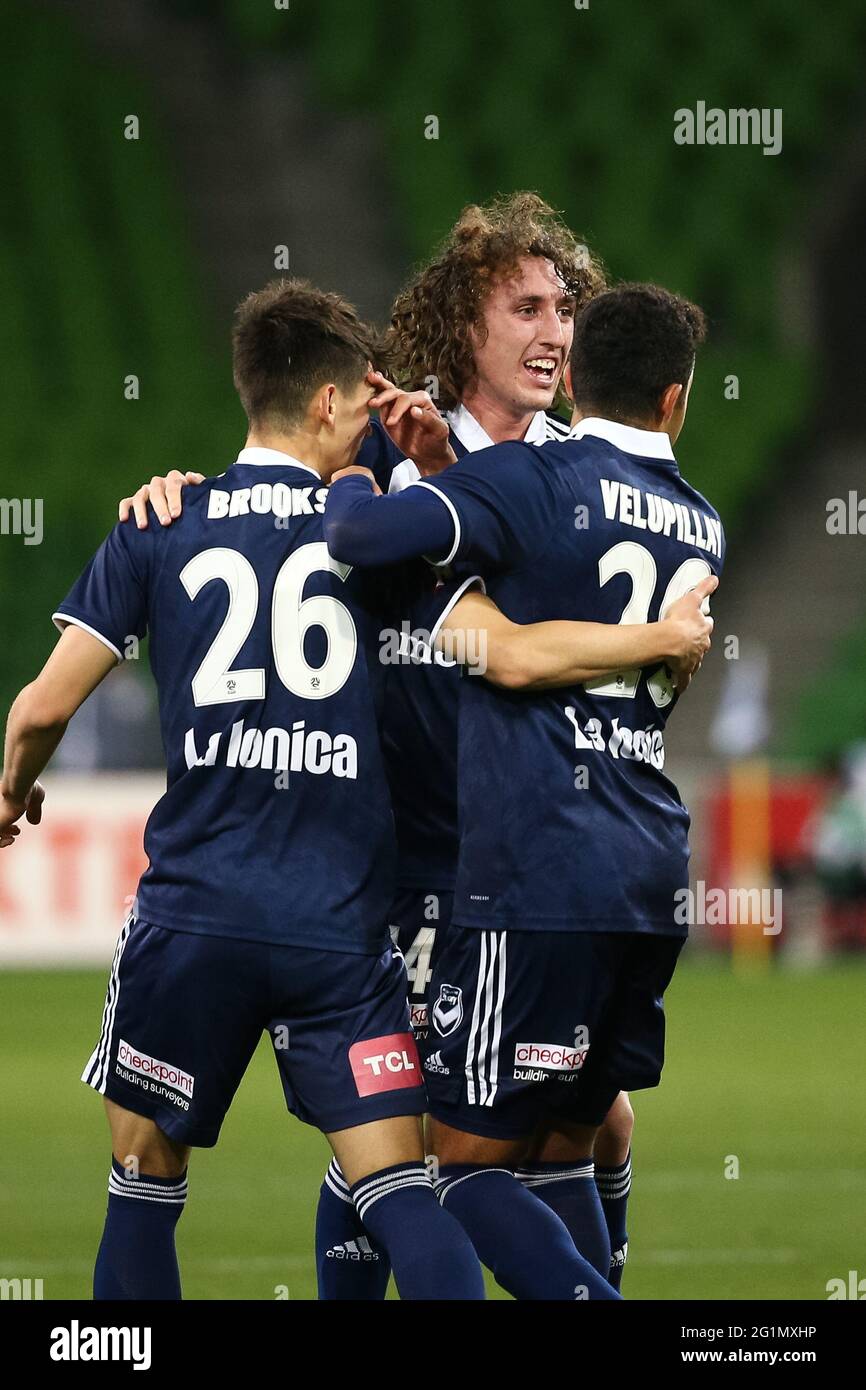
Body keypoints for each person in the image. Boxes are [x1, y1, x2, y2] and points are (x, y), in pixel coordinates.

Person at [117, 195, 649, 1295]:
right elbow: (259, 506)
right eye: (527, 309)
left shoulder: (577, 471)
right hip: (405, 865)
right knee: (395, 1146)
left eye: (566, 311)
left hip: (532, 858)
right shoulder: (377, 440)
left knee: (589, 1128)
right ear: (465, 326)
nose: (555, 333)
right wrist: (167, 500)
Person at [0, 278, 487, 1302]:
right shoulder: (376, 538)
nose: (371, 424)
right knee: (402, 1192)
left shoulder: (162, 522)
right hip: (341, 931)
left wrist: (12, 790)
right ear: (321, 403)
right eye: (361, 402)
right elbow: (488, 617)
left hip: (195, 918)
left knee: (141, 1182)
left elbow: (41, 709)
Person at [323, 283, 724, 1300]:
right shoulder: (700, 522)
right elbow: (567, 583)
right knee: (560, 1146)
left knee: (452, 1169)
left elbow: (376, 551)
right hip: (646, 869)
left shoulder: (532, 478)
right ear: (675, 402)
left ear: (573, 375)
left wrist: (352, 477)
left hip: (535, 865)